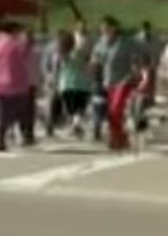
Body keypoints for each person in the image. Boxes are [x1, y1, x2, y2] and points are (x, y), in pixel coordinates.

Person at [91, 16, 140, 151]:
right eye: (102, 28)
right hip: (108, 81)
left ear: (114, 28)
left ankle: (117, 137)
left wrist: (136, 69)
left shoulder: (125, 42)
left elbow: (136, 57)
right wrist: (93, 65)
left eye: (107, 27)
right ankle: (119, 138)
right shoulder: (101, 43)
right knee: (112, 113)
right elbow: (96, 58)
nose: (104, 30)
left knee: (115, 109)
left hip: (124, 79)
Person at [0, 21, 33, 151]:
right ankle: (13, 135)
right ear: (14, 31)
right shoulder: (16, 44)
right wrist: (28, 42)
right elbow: (25, 56)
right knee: (15, 112)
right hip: (14, 84)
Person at [57, 30, 93, 139]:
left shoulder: (62, 54)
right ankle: (76, 125)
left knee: (71, 109)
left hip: (66, 85)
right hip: (82, 84)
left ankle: (75, 126)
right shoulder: (79, 53)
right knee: (80, 108)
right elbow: (88, 59)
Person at [41, 30, 68, 138]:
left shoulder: (67, 48)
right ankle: (49, 126)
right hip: (52, 80)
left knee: (62, 103)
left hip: (64, 79)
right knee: (50, 103)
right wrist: (48, 76)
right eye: (59, 39)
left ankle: (59, 123)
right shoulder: (50, 48)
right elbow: (45, 64)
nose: (60, 42)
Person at [22, 28, 43, 144]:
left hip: (30, 84)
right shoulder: (19, 51)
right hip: (21, 84)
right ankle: (26, 133)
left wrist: (40, 82)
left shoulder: (36, 51)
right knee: (25, 110)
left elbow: (40, 68)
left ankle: (28, 133)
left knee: (29, 110)